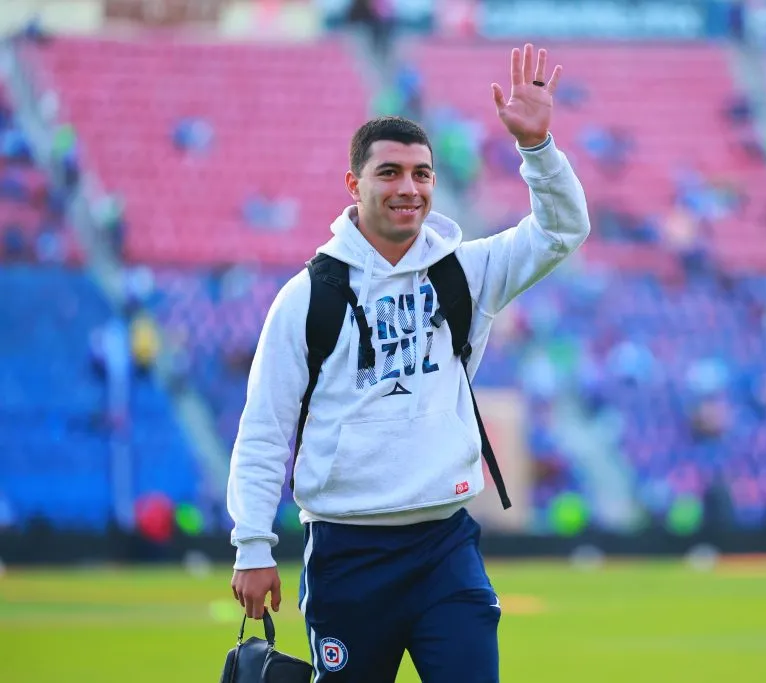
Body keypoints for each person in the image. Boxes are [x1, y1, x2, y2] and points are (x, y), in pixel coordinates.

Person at [227, 44, 590, 682]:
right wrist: (254, 545)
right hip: (347, 550)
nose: (409, 189)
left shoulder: (465, 270)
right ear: (354, 185)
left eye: (421, 174)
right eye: (390, 173)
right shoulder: (308, 297)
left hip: (444, 544)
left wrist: (538, 148)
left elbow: (563, 231)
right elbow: (264, 426)